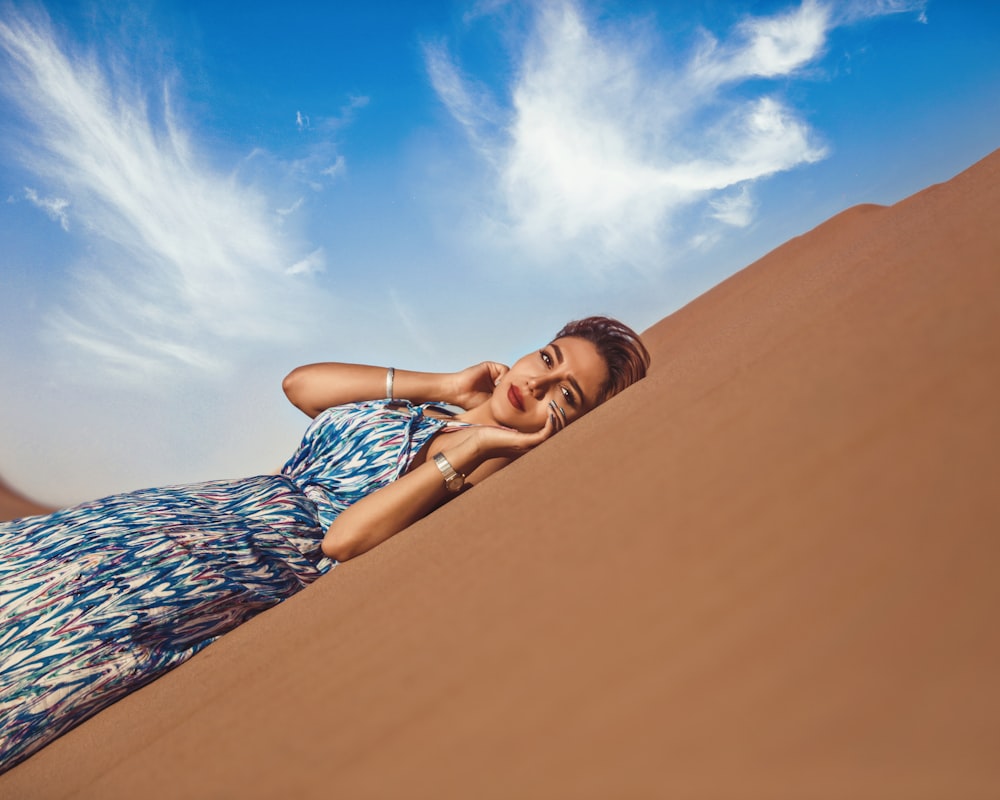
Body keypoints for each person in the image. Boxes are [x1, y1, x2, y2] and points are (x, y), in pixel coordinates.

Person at [0, 316, 649, 773]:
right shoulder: (440, 412)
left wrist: (478, 442)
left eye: (563, 393)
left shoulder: (477, 459)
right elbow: (302, 386)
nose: (534, 383)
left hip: (237, 563)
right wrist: (448, 386)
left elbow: (343, 539)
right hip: (196, 509)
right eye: (547, 357)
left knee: (59, 638)